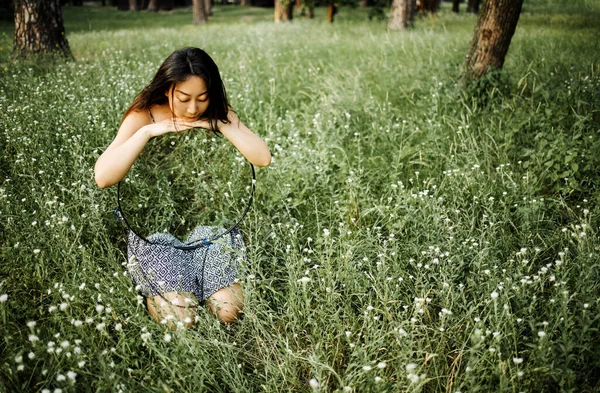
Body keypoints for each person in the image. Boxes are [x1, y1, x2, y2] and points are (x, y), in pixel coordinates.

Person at [94, 47, 271, 328]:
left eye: (202, 98)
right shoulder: (144, 115)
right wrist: (148, 131)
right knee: (181, 320)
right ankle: (183, 288)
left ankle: (197, 284)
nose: (193, 108)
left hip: (211, 230)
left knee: (228, 311)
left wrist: (220, 124)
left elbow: (262, 157)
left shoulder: (218, 112)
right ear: (167, 90)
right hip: (155, 234)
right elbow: (103, 177)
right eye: (184, 98)